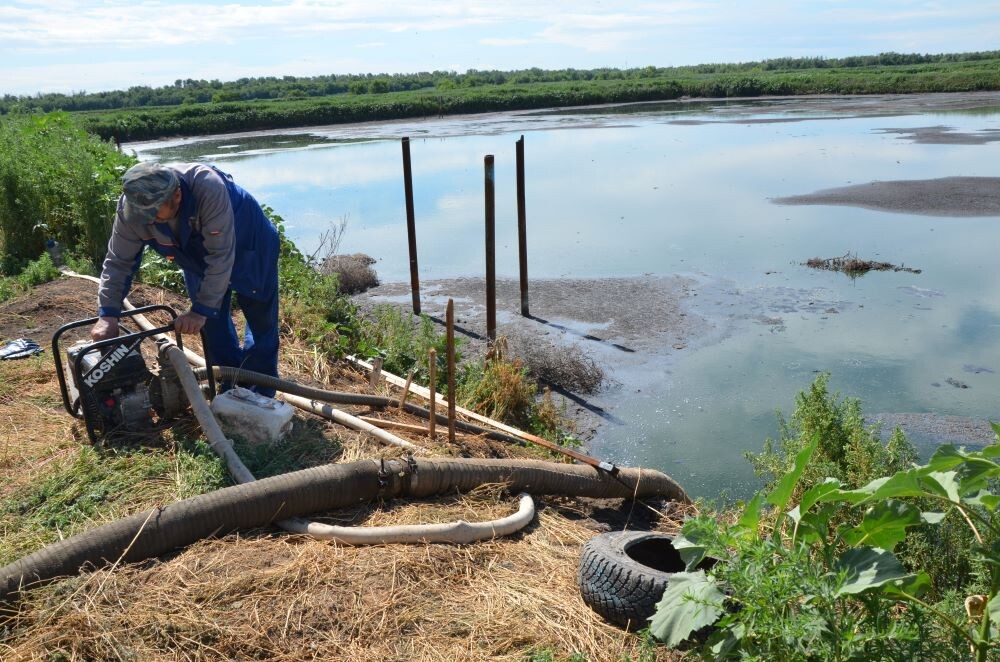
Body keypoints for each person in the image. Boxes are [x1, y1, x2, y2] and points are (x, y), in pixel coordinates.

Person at [93, 162, 281, 396]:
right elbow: (118, 261)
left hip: (250, 247)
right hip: (195, 256)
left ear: (177, 195)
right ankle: (231, 385)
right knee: (212, 326)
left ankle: (260, 391)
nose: (147, 221)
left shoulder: (208, 188)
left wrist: (200, 310)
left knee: (261, 322)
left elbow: (221, 256)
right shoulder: (132, 207)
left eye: (153, 214)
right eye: (142, 215)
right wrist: (108, 314)